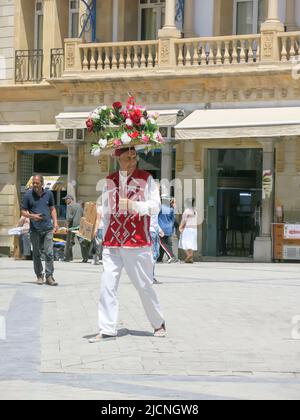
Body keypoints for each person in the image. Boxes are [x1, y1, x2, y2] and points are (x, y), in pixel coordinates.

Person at [89, 146, 166, 343]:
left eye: (134, 158)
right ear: (118, 159)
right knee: (107, 284)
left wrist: (135, 206)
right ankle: (107, 328)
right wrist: (101, 235)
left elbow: (155, 206)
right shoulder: (110, 181)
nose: (132, 162)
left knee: (143, 285)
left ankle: (158, 323)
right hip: (113, 241)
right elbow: (105, 211)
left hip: (137, 242)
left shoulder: (146, 178)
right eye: (127, 158)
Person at [21, 174, 58, 286]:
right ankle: (39, 275)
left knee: (49, 253)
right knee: (36, 254)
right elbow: (23, 212)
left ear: (42, 183)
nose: (35, 185)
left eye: (37, 183)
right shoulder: (28, 195)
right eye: (33, 183)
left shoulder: (49, 194)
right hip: (35, 230)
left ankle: (49, 276)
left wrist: (55, 222)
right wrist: (33, 217)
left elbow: (52, 209)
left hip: (48, 228)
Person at [63, 194, 83, 262]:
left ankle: (68, 257)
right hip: (80, 225)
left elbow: (69, 218)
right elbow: (82, 214)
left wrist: (67, 227)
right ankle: (85, 258)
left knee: (69, 242)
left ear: (70, 199)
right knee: (82, 242)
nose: (65, 201)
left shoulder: (69, 206)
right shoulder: (79, 206)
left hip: (72, 226)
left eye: (66, 199)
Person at [158, 196, 177, 264]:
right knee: (165, 243)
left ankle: (171, 256)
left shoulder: (160, 208)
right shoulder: (171, 209)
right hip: (169, 228)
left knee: (162, 244)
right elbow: (173, 220)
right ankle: (159, 258)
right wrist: (172, 228)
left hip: (161, 228)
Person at [179, 198, 198, 264]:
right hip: (194, 229)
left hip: (188, 229)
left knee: (184, 242)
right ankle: (191, 259)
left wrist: (180, 227)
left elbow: (183, 220)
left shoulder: (187, 211)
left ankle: (189, 255)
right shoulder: (195, 211)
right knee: (191, 243)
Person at [150, 213, 163, 285]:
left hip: (152, 231)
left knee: (154, 254)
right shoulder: (154, 204)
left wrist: (159, 229)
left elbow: (154, 220)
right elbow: (152, 221)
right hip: (152, 231)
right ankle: (151, 277)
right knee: (154, 255)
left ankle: (149, 276)